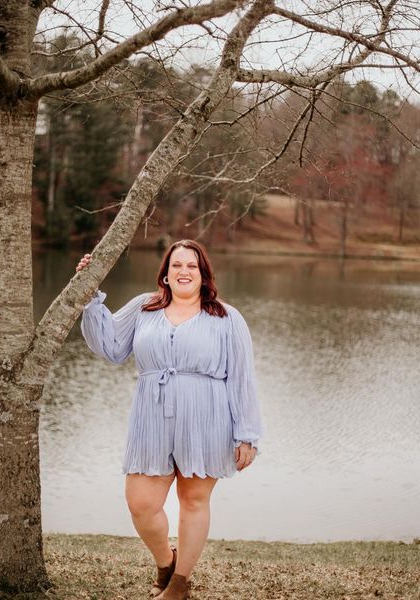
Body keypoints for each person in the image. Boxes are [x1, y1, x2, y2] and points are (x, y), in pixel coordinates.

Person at [76, 239, 263, 600]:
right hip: (151, 417)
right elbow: (111, 347)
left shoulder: (226, 318)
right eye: (176, 265)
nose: (183, 271)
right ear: (165, 274)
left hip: (206, 419)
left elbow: (242, 378)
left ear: (204, 274)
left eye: (191, 266)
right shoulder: (145, 308)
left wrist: (247, 434)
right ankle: (166, 561)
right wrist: (89, 293)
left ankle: (179, 584)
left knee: (194, 501)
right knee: (141, 503)